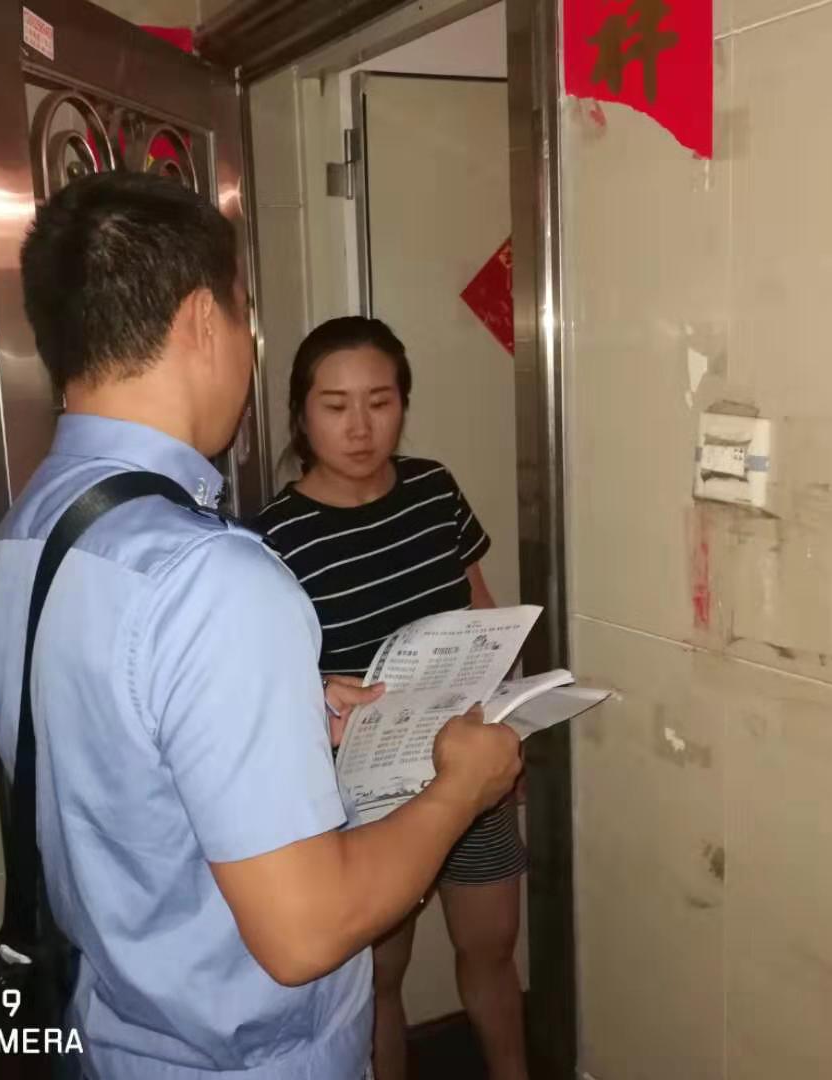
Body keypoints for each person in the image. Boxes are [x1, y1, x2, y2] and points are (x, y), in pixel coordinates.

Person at [0, 172, 523, 1080]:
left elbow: (122, 758)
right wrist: (463, 787)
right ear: (203, 320)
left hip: (116, 1030)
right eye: (244, 314)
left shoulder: (31, 531)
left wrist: (292, 707)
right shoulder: (213, 575)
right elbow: (306, 932)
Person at [253, 316, 530, 1080]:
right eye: (335, 405)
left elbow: (481, 614)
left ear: (403, 403)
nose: (360, 427)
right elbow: (273, 684)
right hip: (365, 797)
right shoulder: (273, 539)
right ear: (301, 414)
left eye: (380, 402)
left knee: (493, 951)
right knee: (375, 982)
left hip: (469, 767)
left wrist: (512, 731)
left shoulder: (434, 490)